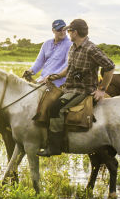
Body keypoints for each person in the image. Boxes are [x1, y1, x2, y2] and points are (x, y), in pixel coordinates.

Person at [37, 18, 115, 157]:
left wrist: (102, 89)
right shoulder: (73, 47)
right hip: (69, 87)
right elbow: (69, 68)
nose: (67, 32)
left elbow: (110, 66)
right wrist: (54, 76)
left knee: (56, 108)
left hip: (82, 90)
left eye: (69, 30)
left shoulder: (91, 48)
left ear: (75, 32)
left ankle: (54, 147)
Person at [23, 19, 71, 85]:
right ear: (53, 30)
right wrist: (30, 70)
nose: (62, 32)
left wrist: (53, 77)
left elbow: (67, 65)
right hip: (42, 79)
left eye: (64, 29)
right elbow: (39, 62)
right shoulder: (47, 43)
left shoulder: (70, 44)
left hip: (58, 82)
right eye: (59, 30)